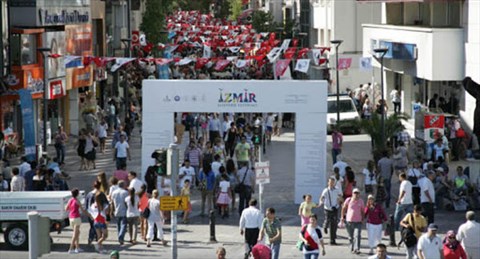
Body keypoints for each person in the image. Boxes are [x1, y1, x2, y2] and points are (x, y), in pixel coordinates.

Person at [65, 188, 91, 254]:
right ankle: (71, 248)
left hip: (71, 218)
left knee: (77, 233)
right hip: (76, 217)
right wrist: (89, 215)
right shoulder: (77, 201)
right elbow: (83, 210)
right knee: (75, 234)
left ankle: (77, 247)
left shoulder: (70, 200)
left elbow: (66, 208)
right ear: (77, 194)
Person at [319, 177, 343, 245]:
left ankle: (332, 240)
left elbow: (340, 196)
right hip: (327, 208)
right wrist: (321, 202)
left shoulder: (337, 190)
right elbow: (322, 197)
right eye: (330, 182)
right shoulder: (326, 190)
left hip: (335, 208)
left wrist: (341, 202)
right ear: (328, 183)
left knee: (334, 224)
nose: (331, 183)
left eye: (332, 182)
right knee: (327, 219)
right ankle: (325, 226)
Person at [341, 188, 365, 254]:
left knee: (357, 235)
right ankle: (352, 247)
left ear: (359, 194)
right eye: (355, 193)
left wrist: (363, 219)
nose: (356, 194)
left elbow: (363, 211)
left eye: (357, 193)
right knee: (350, 236)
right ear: (352, 194)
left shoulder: (361, 201)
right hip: (349, 221)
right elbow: (343, 208)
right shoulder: (348, 200)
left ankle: (357, 248)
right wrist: (342, 217)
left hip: (358, 221)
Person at [111, 181, 129, 245]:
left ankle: (119, 236)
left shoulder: (114, 193)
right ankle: (121, 237)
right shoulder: (125, 192)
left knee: (118, 225)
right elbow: (127, 202)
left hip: (116, 210)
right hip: (124, 210)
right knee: (123, 225)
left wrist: (112, 211)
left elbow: (112, 203)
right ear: (123, 185)